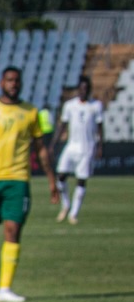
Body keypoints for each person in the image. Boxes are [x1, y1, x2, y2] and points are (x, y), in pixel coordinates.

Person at [0, 66, 58, 302]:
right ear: (2, 83)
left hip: (18, 180)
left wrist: (51, 180)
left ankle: (5, 288)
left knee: (12, 231)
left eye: (17, 80)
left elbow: (41, 149)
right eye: (9, 80)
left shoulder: (30, 112)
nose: (13, 84)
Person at [53, 76, 104, 226]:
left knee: (81, 180)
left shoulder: (96, 106)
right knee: (61, 176)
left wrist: (100, 146)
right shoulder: (70, 105)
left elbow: (100, 127)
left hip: (87, 147)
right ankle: (66, 204)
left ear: (89, 90)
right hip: (71, 146)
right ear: (78, 89)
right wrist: (53, 144)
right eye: (81, 88)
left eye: (86, 89)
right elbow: (63, 124)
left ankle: (73, 214)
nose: (84, 91)